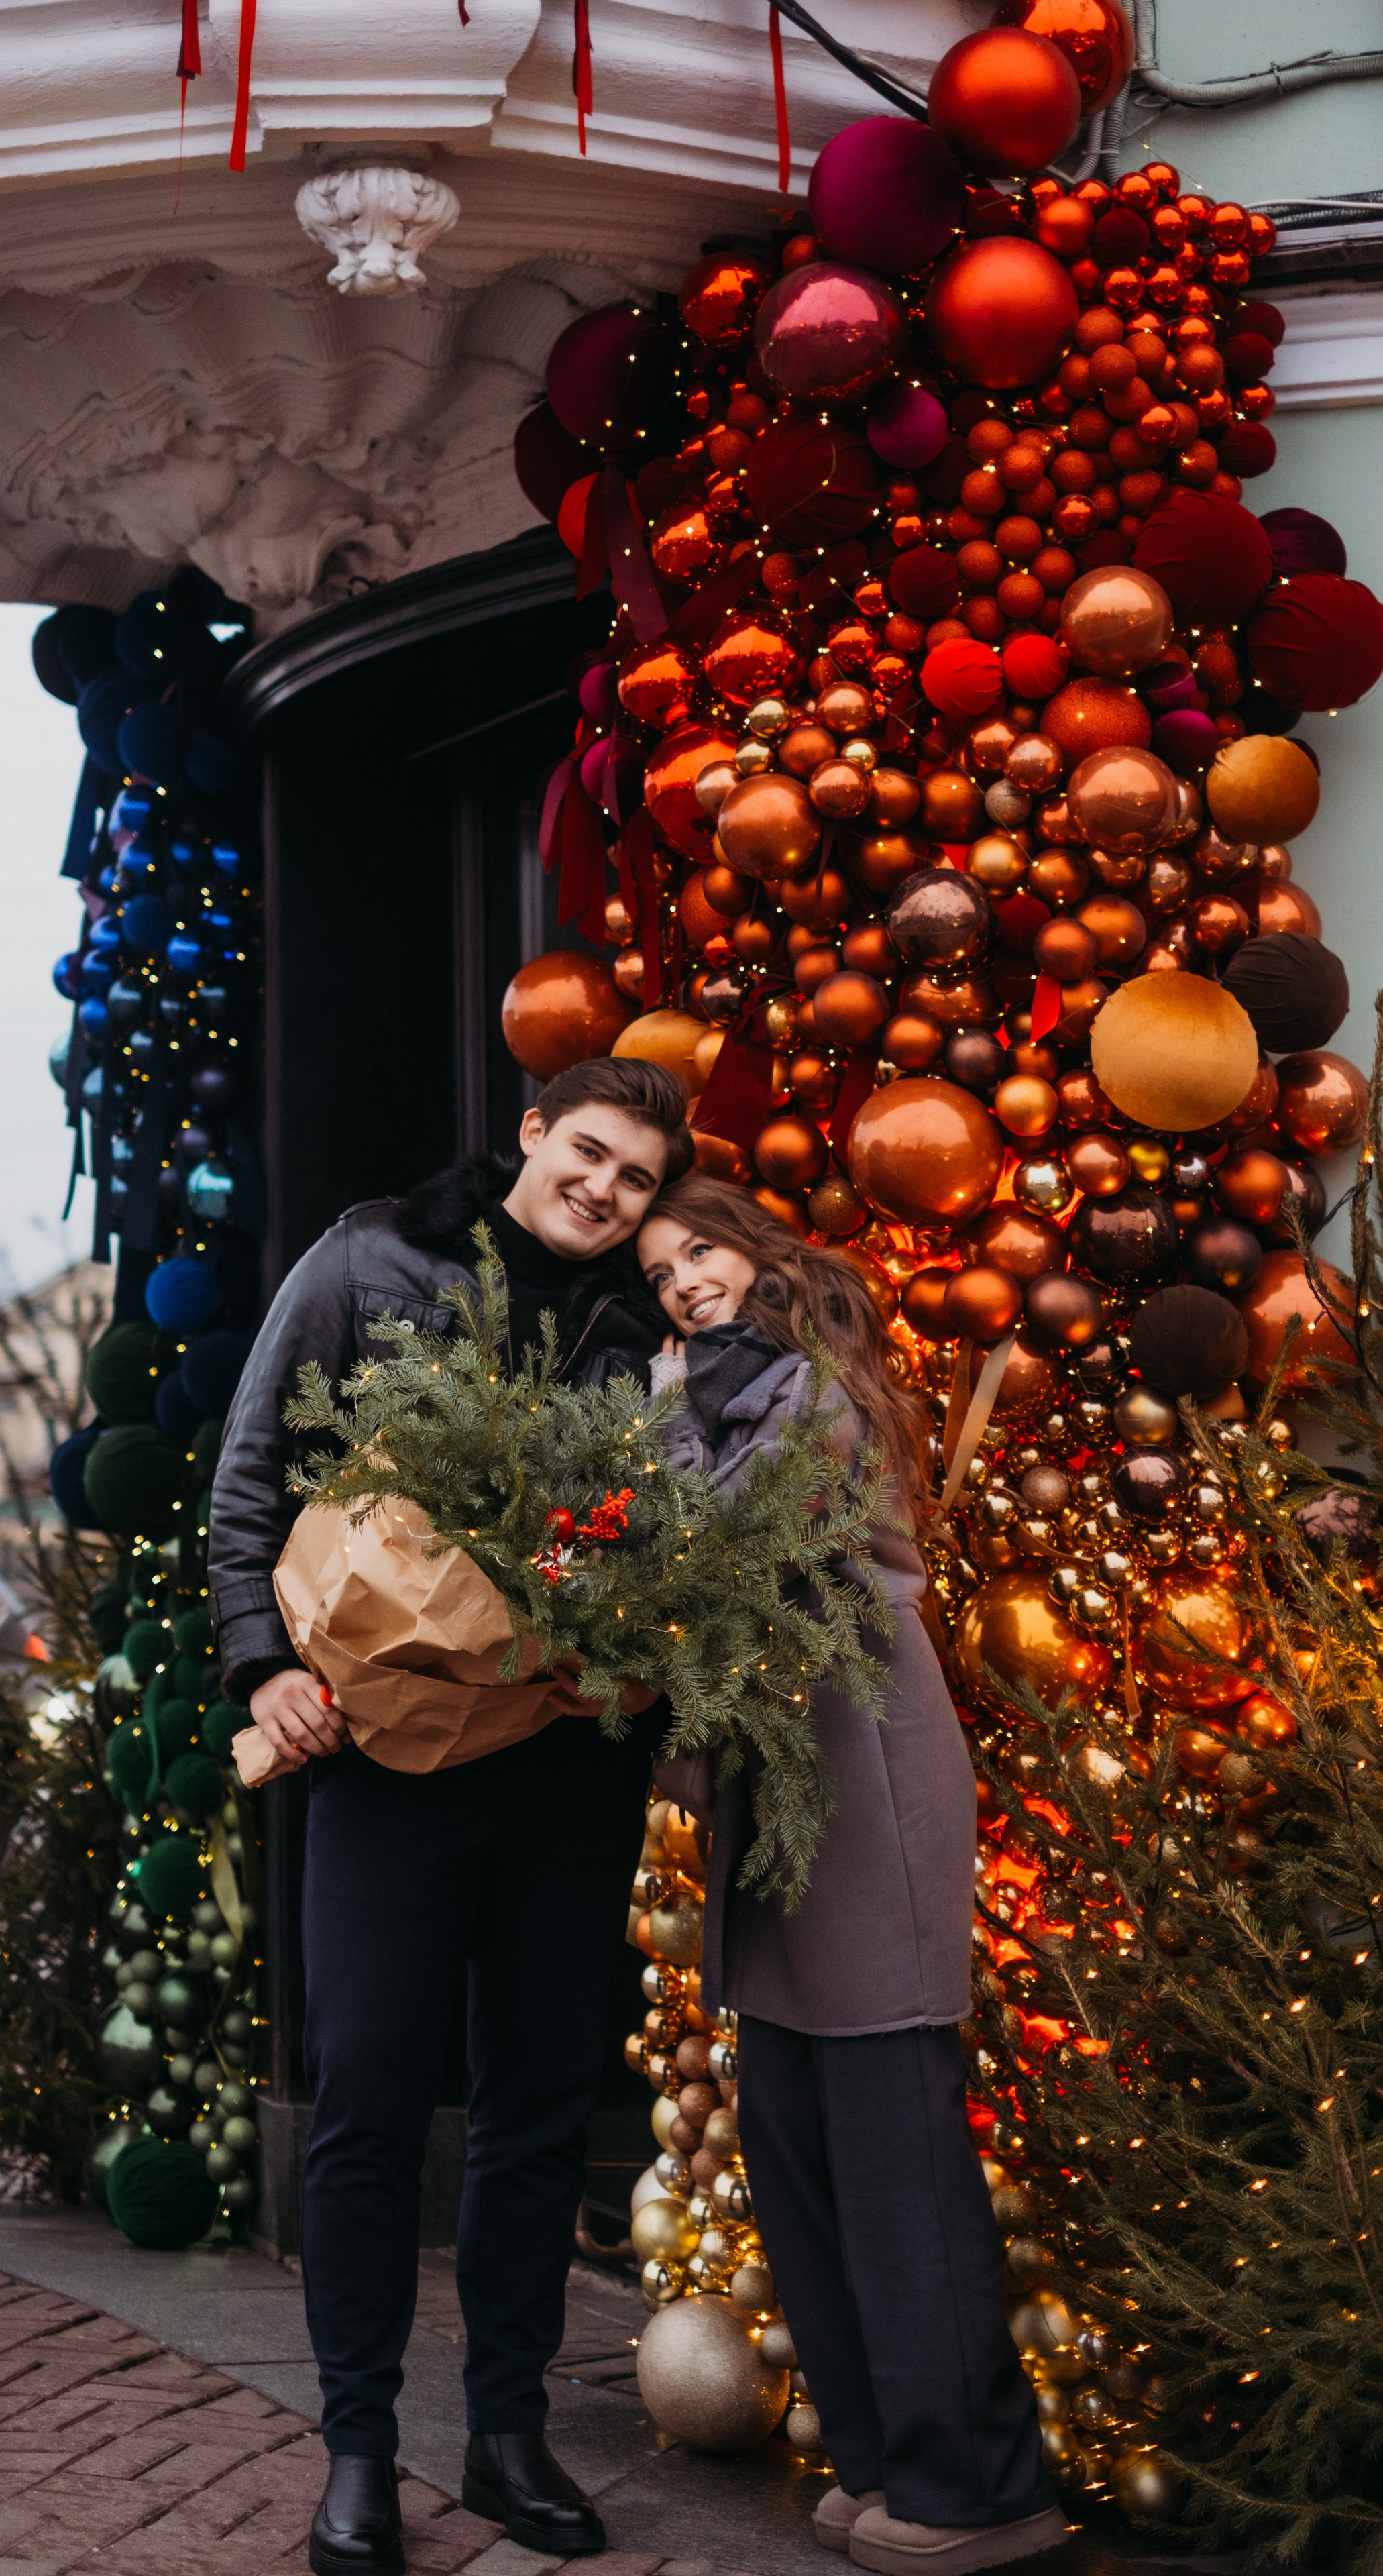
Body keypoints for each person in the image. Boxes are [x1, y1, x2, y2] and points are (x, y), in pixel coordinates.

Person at [209, 1058, 692, 2576]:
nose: (603, 1192)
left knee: (539, 2107)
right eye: (589, 1154)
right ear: (533, 1135)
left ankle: (501, 2436)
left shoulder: (647, 1328)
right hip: (383, 1759)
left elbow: (688, 1540)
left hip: (566, 1766)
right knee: (362, 2107)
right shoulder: (372, 1259)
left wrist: (646, 1676)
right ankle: (357, 2450)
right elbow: (248, 1482)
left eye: (636, 1181)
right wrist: (260, 1668)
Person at [636, 1176, 1066, 2576]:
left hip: (863, 1782)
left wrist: (653, 1417)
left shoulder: (807, 1383)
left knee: (891, 2145)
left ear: (755, 1251)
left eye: (697, 1250)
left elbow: (721, 1550)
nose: (682, 1282)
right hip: (779, 1798)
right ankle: (885, 2455)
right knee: (800, 2139)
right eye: (656, 1273)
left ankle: (978, 2485)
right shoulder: (721, 1389)